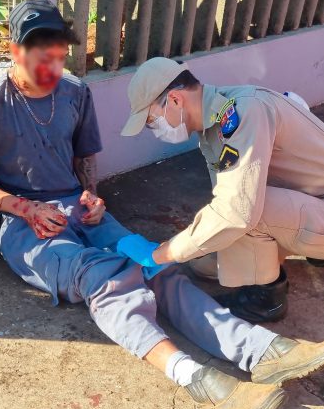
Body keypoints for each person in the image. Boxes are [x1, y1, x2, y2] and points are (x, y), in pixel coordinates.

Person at [0, 0, 324, 409]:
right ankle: (195, 377)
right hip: (26, 224)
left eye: (57, 53)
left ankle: (262, 351)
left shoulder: (75, 92)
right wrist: (25, 209)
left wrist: (91, 194)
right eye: (38, 53)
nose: (49, 66)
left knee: (154, 265)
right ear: (14, 50)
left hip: (79, 209)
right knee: (103, 275)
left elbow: (84, 160)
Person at [119, 56, 324, 323]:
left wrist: (161, 253)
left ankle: (266, 300)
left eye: (151, 121)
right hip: (308, 202)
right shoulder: (212, 127)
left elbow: (236, 211)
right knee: (203, 265)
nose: (154, 130)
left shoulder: (246, 110)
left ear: (175, 100)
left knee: (240, 209)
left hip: (314, 205)